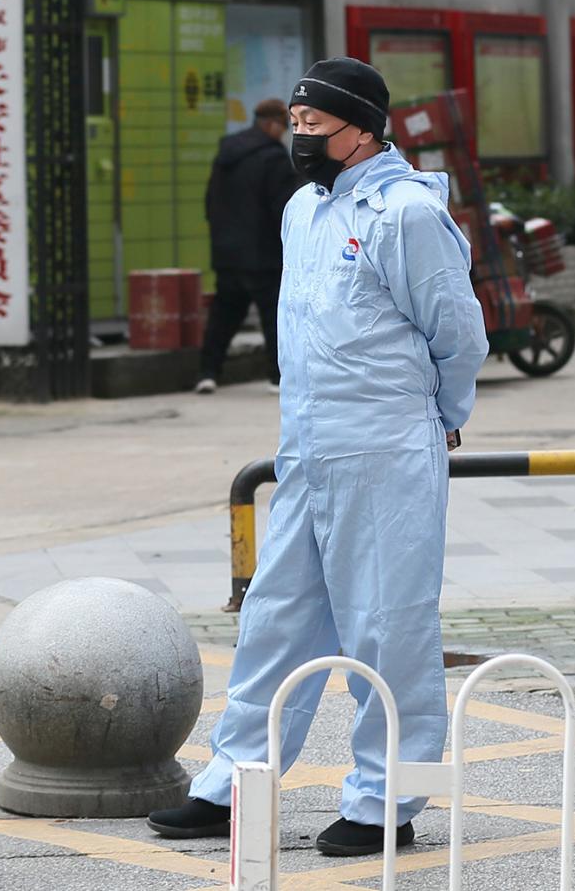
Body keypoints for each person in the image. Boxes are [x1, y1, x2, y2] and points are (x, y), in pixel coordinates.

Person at [149, 58, 488, 856]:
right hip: (306, 447)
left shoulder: (406, 214)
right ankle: (236, 781)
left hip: (383, 447)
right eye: (295, 124)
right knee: (276, 621)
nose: (299, 139)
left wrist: (441, 414)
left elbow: (459, 331)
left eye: (315, 127)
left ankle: (385, 801)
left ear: (364, 129)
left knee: (386, 628)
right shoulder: (305, 207)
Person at [197, 97, 299, 393]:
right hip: (262, 252)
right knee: (272, 315)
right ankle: (277, 377)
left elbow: (209, 201)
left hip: (227, 251)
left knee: (224, 314)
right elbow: (282, 207)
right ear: (271, 124)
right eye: (284, 127)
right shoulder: (274, 158)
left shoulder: (226, 154)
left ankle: (208, 373)